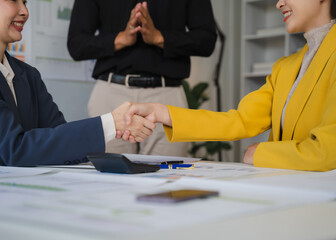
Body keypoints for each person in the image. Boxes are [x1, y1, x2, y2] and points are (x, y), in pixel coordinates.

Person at [122, 0, 336, 171]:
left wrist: (262, 154)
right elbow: (240, 120)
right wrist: (161, 112)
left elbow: (328, 151)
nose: (279, 4)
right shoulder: (285, 68)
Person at [0, 0, 155, 167]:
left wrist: (7, 152)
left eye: (25, 2)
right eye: (13, 0)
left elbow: (61, 143)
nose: (24, 11)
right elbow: (12, 149)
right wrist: (111, 124)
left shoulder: (28, 75)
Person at [67, 0, 217, 157]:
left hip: (166, 94)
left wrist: (159, 37)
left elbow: (207, 40)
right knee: (108, 178)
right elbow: (76, 45)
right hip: (111, 93)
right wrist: (120, 39)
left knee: (168, 178)